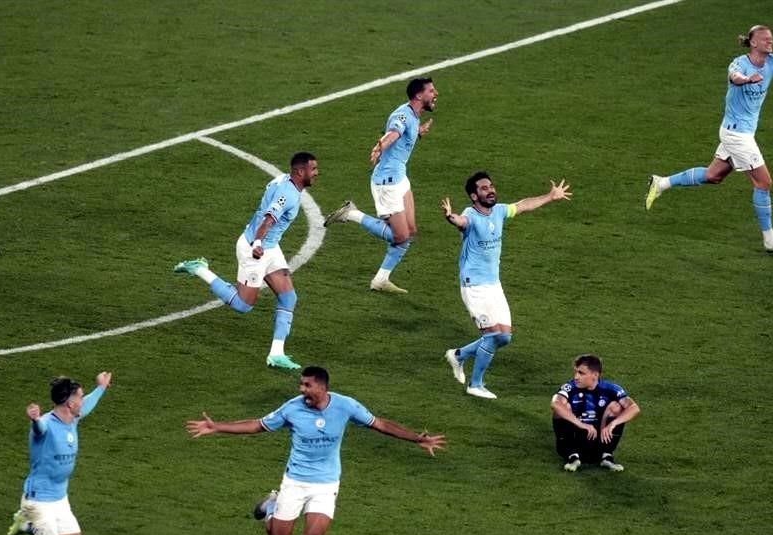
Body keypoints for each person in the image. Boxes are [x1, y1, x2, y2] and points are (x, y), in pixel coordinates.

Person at [184, 366, 446, 535]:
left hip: (326, 484)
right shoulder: (292, 409)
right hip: (295, 483)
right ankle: (271, 507)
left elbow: (380, 424)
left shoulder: (346, 405)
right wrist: (217, 426)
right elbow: (257, 425)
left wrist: (417, 438)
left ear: (321, 387)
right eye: (301, 384)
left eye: (306, 385)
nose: (301, 389)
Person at [645, 25, 773, 253]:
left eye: (771, 39)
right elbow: (734, 78)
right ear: (753, 43)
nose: (770, 42)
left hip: (739, 132)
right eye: (765, 39)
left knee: (713, 176)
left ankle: (662, 182)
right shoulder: (739, 64)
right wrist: (746, 80)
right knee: (764, 182)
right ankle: (770, 240)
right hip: (736, 134)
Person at [174, 152, 320, 370]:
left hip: (269, 247)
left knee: (288, 297)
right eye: (313, 169)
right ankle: (200, 269)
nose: (316, 173)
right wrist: (258, 243)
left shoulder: (284, 181)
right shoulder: (287, 194)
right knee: (243, 305)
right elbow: (268, 219)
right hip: (255, 250)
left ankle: (276, 354)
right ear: (300, 172)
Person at [441, 171, 572, 399]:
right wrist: (450, 216)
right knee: (493, 336)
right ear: (474, 196)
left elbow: (522, 205)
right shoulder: (470, 214)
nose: (490, 190)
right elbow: (461, 223)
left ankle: (459, 355)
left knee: (504, 337)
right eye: (484, 188)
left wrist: (550, 197)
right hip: (474, 286)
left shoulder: (499, 211)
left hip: (493, 284)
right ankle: (475, 384)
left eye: (491, 186)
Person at [6, 371, 113, 535]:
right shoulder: (45, 425)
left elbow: (90, 403)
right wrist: (33, 419)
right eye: (80, 396)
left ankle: (26, 525)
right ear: (69, 402)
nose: (83, 400)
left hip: (60, 501)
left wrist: (102, 388)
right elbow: (40, 428)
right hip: (37, 502)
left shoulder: (72, 418)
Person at [323, 77, 438, 294]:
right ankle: (351, 214)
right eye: (431, 91)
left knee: (411, 231)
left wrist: (418, 133)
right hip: (387, 184)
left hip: (400, 178)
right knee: (400, 236)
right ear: (418, 95)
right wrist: (380, 147)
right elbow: (393, 133)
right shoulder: (403, 115)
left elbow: (403, 136)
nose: (436, 94)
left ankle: (380, 280)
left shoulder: (413, 115)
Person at [551, 355, 639, 472]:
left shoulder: (611, 388)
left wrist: (613, 424)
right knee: (563, 407)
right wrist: (582, 424)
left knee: (616, 407)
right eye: (576, 372)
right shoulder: (569, 387)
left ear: (595, 375)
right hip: (572, 443)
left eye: (581, 373)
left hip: (597, 443)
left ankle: (606, 456)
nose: (576, 377)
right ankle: (572, 456)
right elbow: (555, 404)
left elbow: (634, 408)